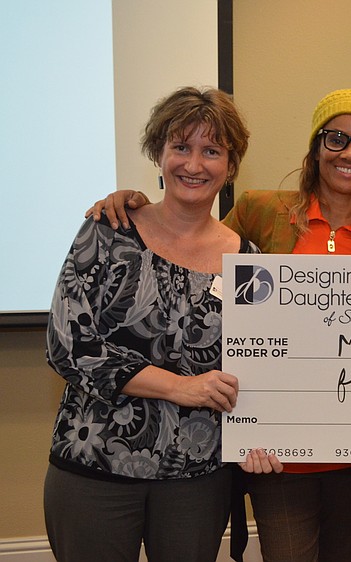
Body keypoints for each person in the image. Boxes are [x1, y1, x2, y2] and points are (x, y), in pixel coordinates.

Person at [86, 88, 351, 562]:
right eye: (337, 138)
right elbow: (191, 244)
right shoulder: (263, 212)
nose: (349, 153)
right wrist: (133, 201)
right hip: (275, 456)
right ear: (315, 145)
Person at [44, 86, 258, 562]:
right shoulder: (107, 229)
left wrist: (269, 432)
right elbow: (68, 345)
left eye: (212, 151)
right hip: (94, 466)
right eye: (180, 147)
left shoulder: (249, 264)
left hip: (196, 480)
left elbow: (264, 364)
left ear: (230, 165)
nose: (194, 164)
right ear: (158, 153)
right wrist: (180, 388)